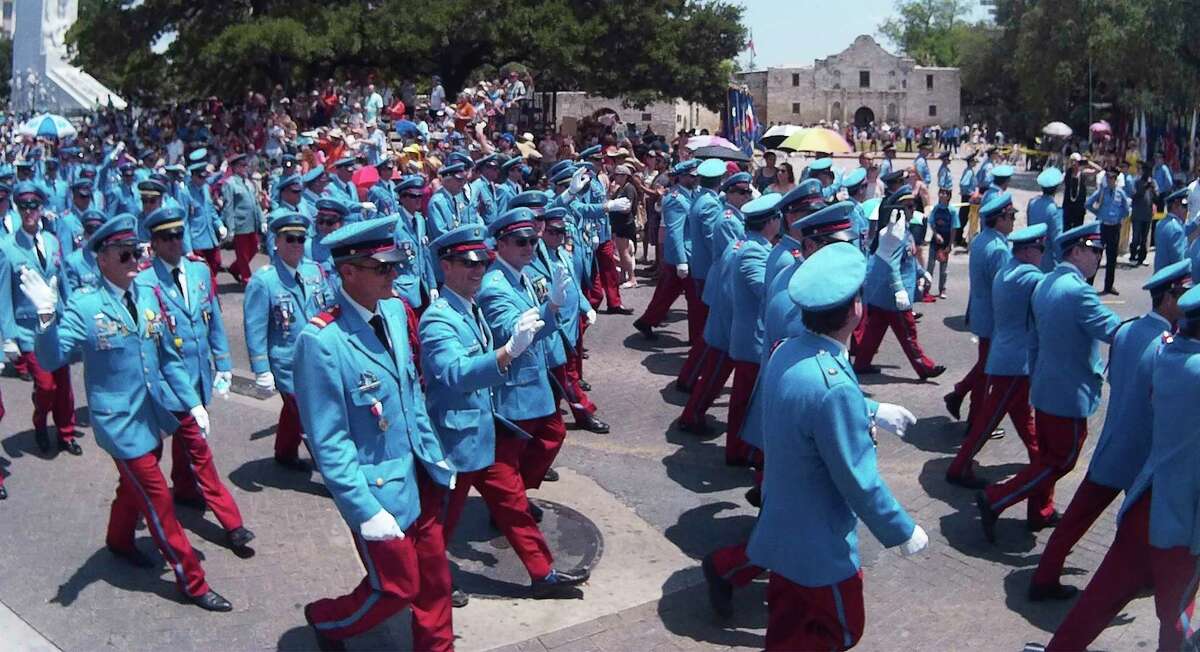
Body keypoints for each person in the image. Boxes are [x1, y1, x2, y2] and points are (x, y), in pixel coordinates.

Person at [23, 215, 232, 611]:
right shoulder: (85, 305)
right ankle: (193, 581)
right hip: (119, 424)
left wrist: (192, 403)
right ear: (102, 260)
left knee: (131, 489)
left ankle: (118, 541)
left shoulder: (147, 295)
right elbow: (51, 359)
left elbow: (168, 358)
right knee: (159, 501)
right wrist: (46, 318)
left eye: (137, 252)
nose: (135, 260)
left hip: (152, 415)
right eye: (125, 255)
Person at [747, 242, 927, 651]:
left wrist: (872, 409)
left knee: (786, 631)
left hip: (782, 530)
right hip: (821, 546)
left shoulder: (788, 350)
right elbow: (858, 479)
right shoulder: (832, 384)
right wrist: (901, 530)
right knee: (840, 631)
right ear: (855, 309)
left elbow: (809, 402)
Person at [294, 216, 456, 652]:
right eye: (381, 267)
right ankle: (327, 621)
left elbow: (410, 391)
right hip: (379, 490)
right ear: (348, 272)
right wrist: (364, 509)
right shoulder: (322, 341)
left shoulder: (395, 312)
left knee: (435, 581)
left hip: (419, 472)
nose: (394, 273)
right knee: (398, 588)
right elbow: (329, 440)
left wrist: (434, 453)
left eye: (395, 264)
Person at [420, 224, 590, 604]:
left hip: (484, 431)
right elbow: (456, 373)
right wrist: (506, 353)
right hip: (456, 441)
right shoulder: (438, 319)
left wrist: (550, 309)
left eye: (482, 262)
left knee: (512, 503)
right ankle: (431, 582)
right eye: (468, 263)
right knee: (441, 523)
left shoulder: (468, 307)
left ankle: (543, 574)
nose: (478, 270)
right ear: (445, 266)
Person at [1042, 285, 1200, 652]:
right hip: (1183, 520)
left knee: (1099, 599)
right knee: (1176, 617)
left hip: (1146, 502)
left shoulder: (1169, 353)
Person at [976, 223, 1120, 543]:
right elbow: (1114, 331)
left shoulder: (1046, 283)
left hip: (1044, 385)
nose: (1099, 258)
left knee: (1046, 456)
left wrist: (1036, 375)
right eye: (1095, 251)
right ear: (1077, 251)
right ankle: (996, 497)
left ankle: (1039, 511)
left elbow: (1033, 340)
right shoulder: (1079, 291)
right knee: (1060, 460)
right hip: (1068, 392)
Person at [134, 206, 253, 549]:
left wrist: (224, 364)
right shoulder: (144, 283)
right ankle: (232, 523)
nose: (175, 242)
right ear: (154, 243)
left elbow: (213, 319)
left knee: (186, 446)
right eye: (166, 237)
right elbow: (153, 345)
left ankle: (184, 490)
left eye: (178, 235)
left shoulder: (199, 271)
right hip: (168, 385)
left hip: (198, 376)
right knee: (197, 450)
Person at [945, 224, 1048, 492]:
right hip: (1015, 363)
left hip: (1008, 357)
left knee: (1023, 417)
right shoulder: (1029, 276)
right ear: (1028, 251)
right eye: (1041, 249)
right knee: (987, 422)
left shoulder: (1009, 270)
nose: (1043, 254)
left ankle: (1040, 460)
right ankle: (959, 467)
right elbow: (1051, 295)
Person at [477, 208, 572, 497]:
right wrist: (551, 307)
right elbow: (511, 330)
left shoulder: (519, 275)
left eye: (532, 241)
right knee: (510, 456)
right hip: (515, 385)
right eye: (521, 242)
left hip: (534, 377)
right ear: (501, 244)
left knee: (551, 435)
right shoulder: (494, 285)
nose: (529, 247)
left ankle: (516, 493)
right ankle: (509, 503)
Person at [244, 212, 332, 472]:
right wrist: (261, 370)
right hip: (287, 362)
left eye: (301, 239)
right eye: (290, 239)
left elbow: (328, 307)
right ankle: (333, 474)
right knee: (310, 418)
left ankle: (284, 451)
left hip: (316, 356)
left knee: (296, 410)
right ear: (276, 242)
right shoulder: (265, 281)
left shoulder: (314, 271)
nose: (296, 244)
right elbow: (255, 329)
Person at [4, 183, 79, 455]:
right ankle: (40, 423)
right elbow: (4, 295)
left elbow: (64, 281)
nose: (29, 212)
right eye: (23, 206)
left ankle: (66, 433)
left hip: (56, 326)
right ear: (17, 209)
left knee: (64, 386)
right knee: (46, 386)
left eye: (33, 206)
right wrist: (8, 336)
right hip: (29, 330)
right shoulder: (7, 247)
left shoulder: (52, 241)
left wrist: (72, 315)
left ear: (41, 208)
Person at [676, 170, 753, 437]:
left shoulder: (733, 215)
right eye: (741, 192)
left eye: (748, 191)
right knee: (715, 350)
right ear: (728, 192)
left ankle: (689, 382)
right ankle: (692, 407)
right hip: (724, 285)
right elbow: (734, 257)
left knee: (710, 345)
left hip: (722, 284)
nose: (747, 196)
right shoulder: (728, 219)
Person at [852, 186, 946, 380]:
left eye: (913, 205)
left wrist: (922, 272)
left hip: (881, 295)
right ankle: (925, 367)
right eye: (908, 207)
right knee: (908, 333)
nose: (913, 210)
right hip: (894, 297)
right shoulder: (895, 234)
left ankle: (861, 363)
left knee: (873, 332)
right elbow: (892, 265)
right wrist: (900, 291)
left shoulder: (903, 231)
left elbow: (908, 259)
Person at [944, 192, 1014, 432]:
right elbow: (1002, 290)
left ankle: (959, 394)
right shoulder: (999, 249)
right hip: (994, 318)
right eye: (1011, 217)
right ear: (1000, 219)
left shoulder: (981, 240)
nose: (1013, 222)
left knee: (985, 365)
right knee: (987, 371)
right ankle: (975, 422)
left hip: (981, 312)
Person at [632, 160, 698, 340]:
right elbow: (675, 232)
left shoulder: (690, 194)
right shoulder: (676, 199)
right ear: (681, 177)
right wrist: (682, 261)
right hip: (682, 256)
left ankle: (646, 321)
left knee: (667, 293)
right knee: (695, 299)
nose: (696, 179)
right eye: (692, 176)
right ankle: (697, 338)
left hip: (683, 255)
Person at [221, 154, 264, 285]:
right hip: (240, 223)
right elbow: (228, 207)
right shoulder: (229, 183)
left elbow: (256, 203)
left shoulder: (248, 182)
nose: (245, 167)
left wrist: (262, 220)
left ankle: (235, 268)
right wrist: (230, 228)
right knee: (242, 253)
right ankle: (246, 277)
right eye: (242, 165)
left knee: (254, 248)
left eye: (246, 165)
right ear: (234, 167)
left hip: (252, 222)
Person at [1086, 166, 1131, 295]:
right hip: (1102, 227)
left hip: (1114, 227)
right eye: (1108, 177)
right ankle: (1088, 284)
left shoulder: (1120, 193)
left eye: (1112, 178)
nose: (1110, 180)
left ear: (1116, 179)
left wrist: (1118, 218)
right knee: (1096, 256)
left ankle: (1109, 286)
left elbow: (1126, 210)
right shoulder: (1102, 192)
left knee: (1112, 259)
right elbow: (1088, 203)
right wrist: (1098, 213)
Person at [184, 161, 226, 282]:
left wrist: (220, 225)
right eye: (200, 177)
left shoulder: (206, 188)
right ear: (192, 176)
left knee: (216, 263)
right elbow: (184, 222)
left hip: (210, 237)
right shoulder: (185, 193)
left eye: (204, 177)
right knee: (203, 271)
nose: (203, 180)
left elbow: (211, 210)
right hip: (196, 240)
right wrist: (188, 248)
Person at [426, 162, 476, 240]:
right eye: (459, 180)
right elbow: (440, 234)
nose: (463, 184)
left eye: (464, 180)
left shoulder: (455, 198)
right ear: (447, 180)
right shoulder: (437, 202)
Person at [1026, 167, 1064, 272]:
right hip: (1047, 259)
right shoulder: (1053, 209)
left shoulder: (1032, 202)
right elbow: (1057, 239)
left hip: (1031, 254)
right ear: (1057, 188)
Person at [607, 164, 639, 289]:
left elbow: (627, 208)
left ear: (625, 176)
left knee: (624, 252)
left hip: (625, 224)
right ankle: (622, 276)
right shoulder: (620, 189)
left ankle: (632, 278)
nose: (615, 177)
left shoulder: (629, 188)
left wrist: (614, 206)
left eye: (618, 175)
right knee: (620, 252)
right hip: (618, 224)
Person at [926, 184, 956, 298]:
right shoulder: (936, 208)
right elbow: (931, 222)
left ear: (949, 196)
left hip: (946, 241)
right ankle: (926, 288)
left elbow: (954, 228)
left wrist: (950, 244)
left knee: (943, 268)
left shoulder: (952, 211)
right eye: (941, 193)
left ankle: (942, 289)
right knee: (930, 265)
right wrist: (935, 234)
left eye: (945, 193)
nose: (942, 195)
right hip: (935, 241)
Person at [1154, 188, 1195, 272]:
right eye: (1184, 206)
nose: (1187, 211)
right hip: (1171, 277)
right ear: (1175, 206)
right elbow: (1180, 262)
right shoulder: (1176, 229)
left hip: (1159, 275)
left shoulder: (1162, 223)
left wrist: (1197, 221)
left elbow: (1185, 230)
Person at [1128, 162, 1156, 266]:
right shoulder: (1136, 182)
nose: (1148, 173)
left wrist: (1153, 189)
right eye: (1146, 171)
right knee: (1136, 237)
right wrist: (1144, 188)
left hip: (1147, 215)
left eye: (1149, 171)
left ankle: (1142, 258)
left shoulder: (1153, 182)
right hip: (1137, 214)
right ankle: (1133, 256)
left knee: (1144, 238)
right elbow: (1133, 196)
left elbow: (1157, 197)